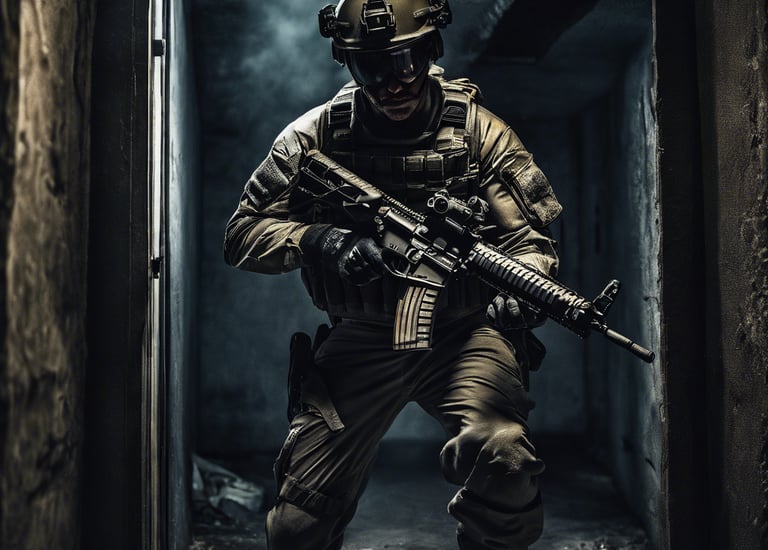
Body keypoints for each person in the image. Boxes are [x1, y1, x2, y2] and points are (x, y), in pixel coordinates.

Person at [223, 1, 562, 548]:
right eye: (372, 66)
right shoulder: (315, 138)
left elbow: (529, 241)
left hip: (465, 333)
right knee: (297, 528)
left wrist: (525, 287)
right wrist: (322, 240)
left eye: (406, 61)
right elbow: (242, 233)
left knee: (504, 457)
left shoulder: (480, 135)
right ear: (349, 64)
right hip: (362, 333)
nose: (392, 82)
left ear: (431, 51)